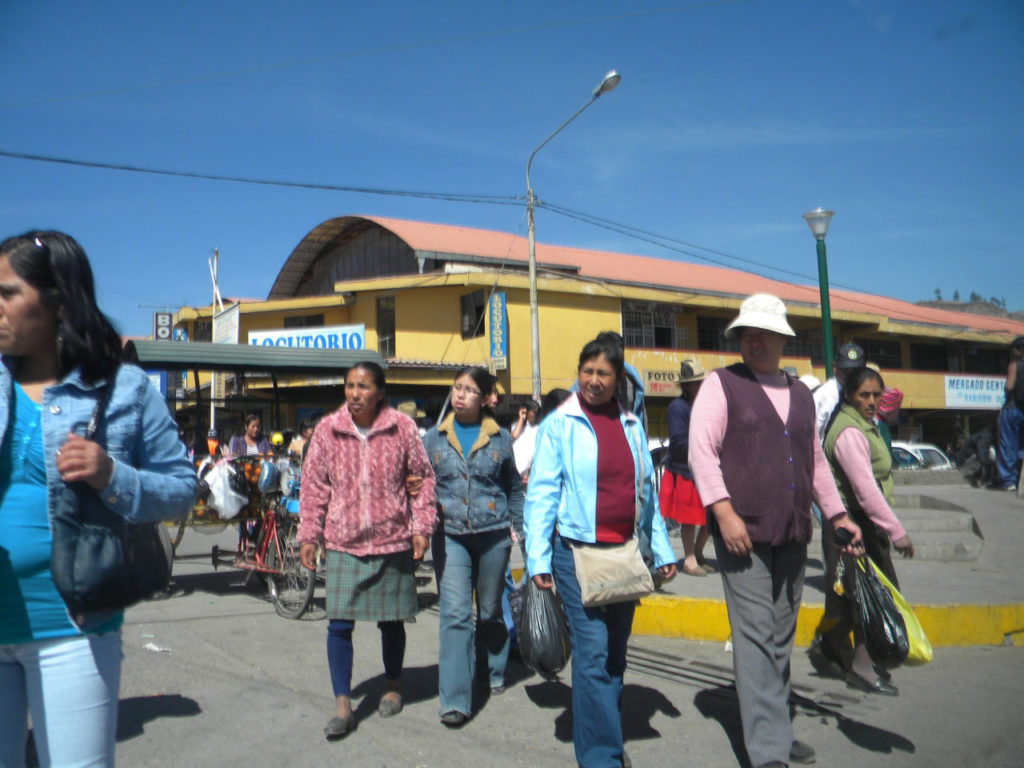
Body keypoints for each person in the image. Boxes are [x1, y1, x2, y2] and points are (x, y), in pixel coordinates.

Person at [0, 230, 197, 767]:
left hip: (73, 628)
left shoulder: (125, 388)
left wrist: (113, 474)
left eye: (7, 292)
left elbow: (183, 489)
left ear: (58, 300)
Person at [689, 294, 863, 768]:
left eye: (764, 333)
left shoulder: (801, 394)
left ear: (784, 339)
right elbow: (701, 452)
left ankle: (778, 729)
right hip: (740, 532)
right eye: (747, 333)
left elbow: (815, 463)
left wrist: (837, 516)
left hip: (791, 530)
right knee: (757, 637)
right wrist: (723, 513)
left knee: (781, 637)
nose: (755, 341)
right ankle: (767, 750)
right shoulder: (720, 385)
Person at [524, 334, 677, 768]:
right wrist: (538, 559)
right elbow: (541, 495)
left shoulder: (631, 425)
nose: (593, 380)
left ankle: (603, 733)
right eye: (586, 371)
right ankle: (601, 757)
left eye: (603, 373)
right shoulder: (560, 424)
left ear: (618, 379)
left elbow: (645, 493)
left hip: (625, 555)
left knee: (615, 654)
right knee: (591, 655)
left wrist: (662, 549)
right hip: (575, 555)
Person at [297, 362, 437, 740]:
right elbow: (313, 486)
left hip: (392, 538)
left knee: (391, 621)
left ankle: (392, 685)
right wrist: (309, 534)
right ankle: (343, 705)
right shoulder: (328, 430)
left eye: (362, 386)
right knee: (339, 624)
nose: (354, 393)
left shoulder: (402, 427)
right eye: (349, 386)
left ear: (379, 392)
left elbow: (423, 479)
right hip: (344, 540)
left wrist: (421, 527)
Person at [422, 367, 524, 726]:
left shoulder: (500, 440)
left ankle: (492, 669)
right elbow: (420, 490)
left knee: (491, 609)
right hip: (450, 536)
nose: (460, 394)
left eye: (469, 390)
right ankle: (455, 700)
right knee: (454, 613)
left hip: (494, 534)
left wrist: (522, 532)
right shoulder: (433, 439)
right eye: (457, 387)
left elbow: (513, 489)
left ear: (484, 398)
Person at [812, 366, 914, 695]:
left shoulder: (865, 425)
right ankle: (860, 667)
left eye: (876, 394)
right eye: (864, 395)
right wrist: (897, 532)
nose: (871, 401)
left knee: (853, 596)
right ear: (848, 396)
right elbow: (865, 491)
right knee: (866, 597)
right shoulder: (849, 433)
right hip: (851, 524)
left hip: (861, 522)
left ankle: (832, 652)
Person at [659, 357, 711, 577]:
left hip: (705, 469)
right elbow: (679, 442)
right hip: (684, 470)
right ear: (687, 385)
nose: (700, 386)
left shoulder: (705, 405)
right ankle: (689, 559)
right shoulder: (677, 408)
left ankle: (698, 552)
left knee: (712, 516)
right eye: (696, 382)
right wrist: (705, 444)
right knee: (689, 519)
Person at [812, 342, 865, 442]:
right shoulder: (824, 395)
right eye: (845, 370)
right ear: (834, 367)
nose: (850, 374)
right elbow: (813, 436)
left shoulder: (866, 394)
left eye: (855, 370)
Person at [993, 336, 1024, 491]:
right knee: (1021, 446)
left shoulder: (1015, 363)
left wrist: (1007, 394)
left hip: (1012, 409)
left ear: (1018, 350)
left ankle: (1008, 480)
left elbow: (1009, 386)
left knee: (1008, 444)